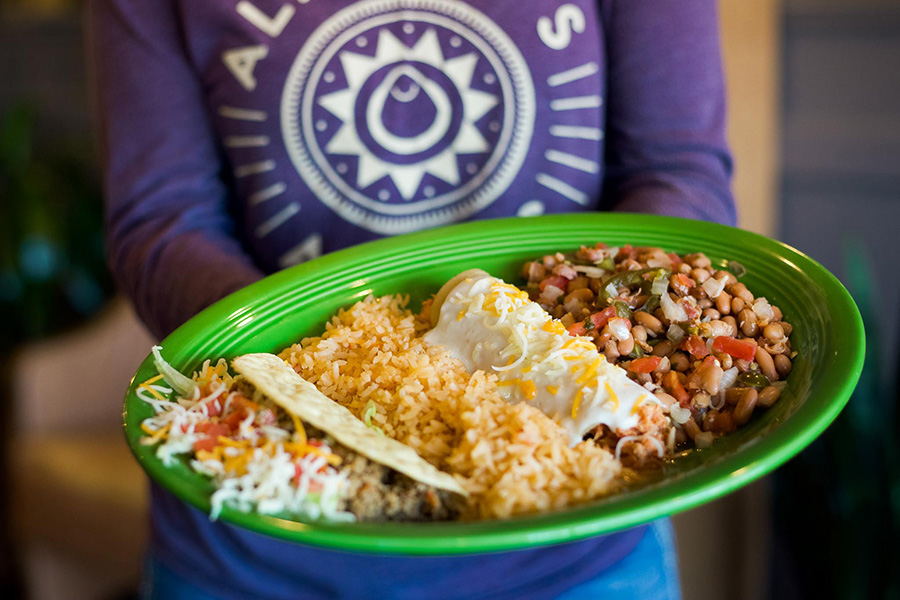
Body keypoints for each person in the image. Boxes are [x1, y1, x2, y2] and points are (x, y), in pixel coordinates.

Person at [88, 0, 734, 598]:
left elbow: (676, 174)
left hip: (575, 545)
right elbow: (161, 223)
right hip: (263, 522)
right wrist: (329, 374)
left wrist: (601, 359)